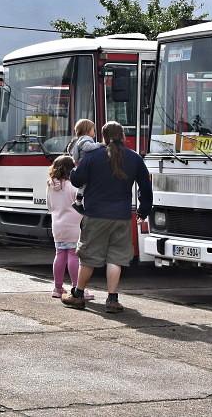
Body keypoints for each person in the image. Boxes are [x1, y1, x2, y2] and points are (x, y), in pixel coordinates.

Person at [62, 121, 152, 314]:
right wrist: (143, 211)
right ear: (123, 137)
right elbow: (145, 186)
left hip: (95, 215)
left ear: (103, 137)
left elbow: (76, 180)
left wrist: (74, 168)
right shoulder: (134, 158)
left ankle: (78, 295)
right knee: (116, 258)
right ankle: (112, 299)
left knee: (88, 257)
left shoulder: (93, 156)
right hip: (121, 216)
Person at [46, 155, 93, 301]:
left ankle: (57, 288)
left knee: (60, 254)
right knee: (73, 255)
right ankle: (76, 288)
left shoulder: (50, 185)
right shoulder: (73, 185)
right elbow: (82, 203)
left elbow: (49, 206)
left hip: (57, 225)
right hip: (73, 225)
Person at [66, 119, 103, 215]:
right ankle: (78, 203)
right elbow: (88, 147)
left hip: (81, 167)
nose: (94, 131)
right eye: (93, 129)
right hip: (86, 167)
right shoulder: (86, 139)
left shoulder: (78, 140)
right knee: (86, 184)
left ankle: (78, 203)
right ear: (87, 131)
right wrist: (100, 145)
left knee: (83, 186)